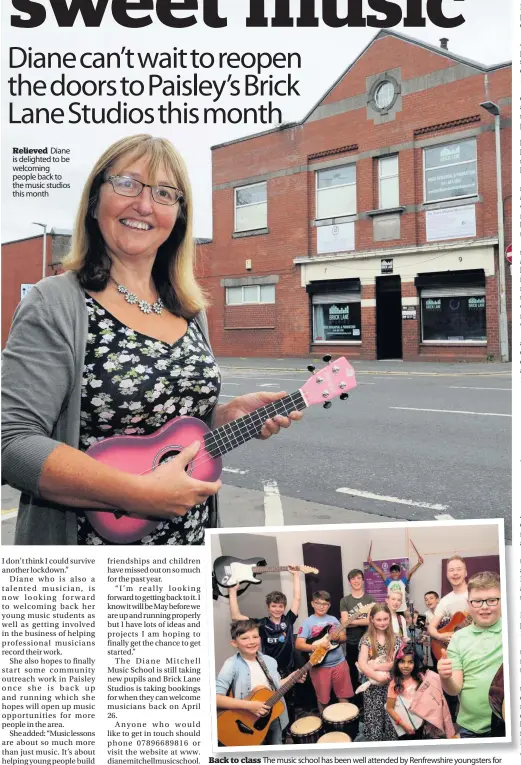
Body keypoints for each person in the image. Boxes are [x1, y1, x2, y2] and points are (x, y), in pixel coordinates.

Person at [2, 134, 301, 546]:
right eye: (127, 183)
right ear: (94, 200)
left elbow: (163, 425)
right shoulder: (55, 302)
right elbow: (12, 442)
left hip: (189, 556)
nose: (144, 205)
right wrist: (136, 494)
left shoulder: (188, 310)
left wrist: (223, 415)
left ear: (178, 215)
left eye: (164, 193)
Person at [216, 619, 306, 746]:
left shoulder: (270, 661)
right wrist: (250, 706)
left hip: (275, 715)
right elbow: (216, 699)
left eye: (255, 636)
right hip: (247, 720)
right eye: (245, 638)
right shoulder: (231, 664)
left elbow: (274, 687)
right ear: (234, 643)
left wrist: (292, 678)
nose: (251, 642)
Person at [437, 571, 504, 739]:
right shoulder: (459, 638)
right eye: (477, 601)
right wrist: (445, 677)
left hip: (507, 725)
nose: (484, 606)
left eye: (492, 600)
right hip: (470, 728)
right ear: (469, 604)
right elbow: (454, 689)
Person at [227, 567, 301, 678]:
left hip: (289, 667)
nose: (277, 609)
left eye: (280, 606)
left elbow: (297, 598)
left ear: (284, 607)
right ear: (268, 607)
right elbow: (236, 616)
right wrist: (232, 592)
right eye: (274, 606)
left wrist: (295, 575)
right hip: (270, 668)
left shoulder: (289, 619)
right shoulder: (262, 623)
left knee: (290, 694)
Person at [295, 590, 353, 714]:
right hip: (319, 666)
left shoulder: (334, 620)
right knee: (323, 700)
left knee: (343, 696)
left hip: (340, 663)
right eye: (318, 603)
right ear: (312, 604)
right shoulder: (307, 623)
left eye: (325, 604)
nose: (321, 606)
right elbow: (299, 644)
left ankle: (346, 727)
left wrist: (338, 637)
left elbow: (344, 638)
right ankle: (326, 727)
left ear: (329, 606)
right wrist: (317, 647)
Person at [427, 555, 468, 721]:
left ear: (466, 572)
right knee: (451, 689)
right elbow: (431, 627)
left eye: (459, 569)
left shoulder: (475, 593)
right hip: (454, 650)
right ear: (447, 574)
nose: (455, 573)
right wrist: (440, 635)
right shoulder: (446, 600)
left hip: (473, 648)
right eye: (451, 570)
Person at [357, 603, 401, 742]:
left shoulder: (395, 638)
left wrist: (375, 666)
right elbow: (362, 663)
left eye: (385, 619)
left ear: (390, 619)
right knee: (374, 723)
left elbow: (395, 664)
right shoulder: (367, 639)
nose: (382, 623)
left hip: (391, 687)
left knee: (391, 721)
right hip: (372, 689)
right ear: (372, 620)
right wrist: (376, 676)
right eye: (378, 620)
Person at [340, 568, 374, 708]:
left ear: (363, 580)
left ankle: (369, 701)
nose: (356, 581)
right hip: (352, 642)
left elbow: (370, 621)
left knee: (369, 671)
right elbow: (344, 622)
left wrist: (351, 621)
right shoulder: (345, 600)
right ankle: (356, 703)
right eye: (353, 579)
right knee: (353, 673)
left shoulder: (370, 599)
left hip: (368, 641)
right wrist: (358, 619)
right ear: (350, 581)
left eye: (358, 578)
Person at [386, 644, 425, 740]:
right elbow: (389, 708)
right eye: (402, 662)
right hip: (404, 725)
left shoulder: (420, 678)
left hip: (420, 722)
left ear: (415, 663)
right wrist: (403, 725)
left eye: (410, 662)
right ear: (397, 663)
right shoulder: (394, 683)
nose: (406, 666)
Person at [367, 548, 424, 613]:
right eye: (393, 572)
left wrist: (419, 563)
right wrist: (371, 563)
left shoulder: (403, 581)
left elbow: (410, 572)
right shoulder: (388, 582)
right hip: (390, 610)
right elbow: (380, 572)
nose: (395, 574)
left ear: (400, 573)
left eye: (397, 572)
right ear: (390, 573)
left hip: (402, 609)